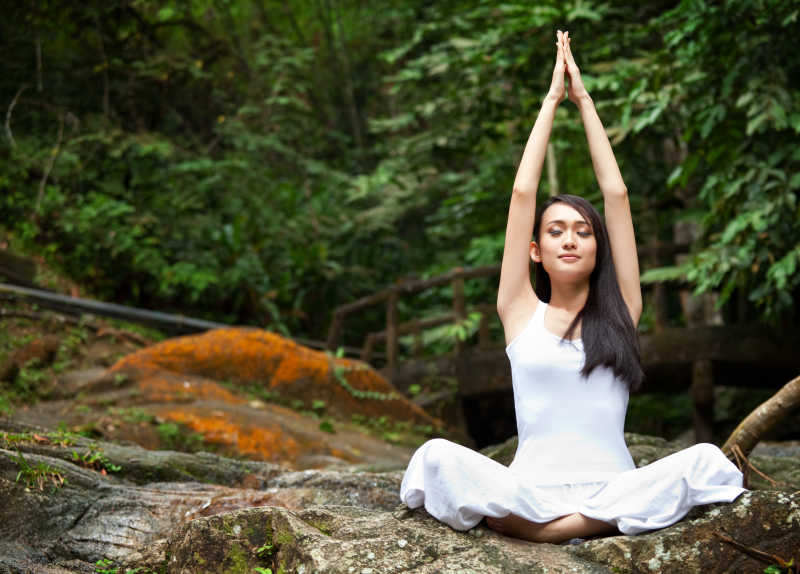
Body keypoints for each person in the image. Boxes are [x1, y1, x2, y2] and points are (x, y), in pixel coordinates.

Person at [399, 30, 745, 544]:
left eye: (583, 232)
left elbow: (617, 194)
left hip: (614, 490)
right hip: (529, 492)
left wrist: (584, 101)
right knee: (434, 457)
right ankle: (562, 524)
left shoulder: (621, 312)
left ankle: (551, 532)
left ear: (598, 248)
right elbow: (522, 193)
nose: (570, 240)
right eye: (556, 231)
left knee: (707, 462)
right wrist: (551, 99)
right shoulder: (519, 310)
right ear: (534, 249)